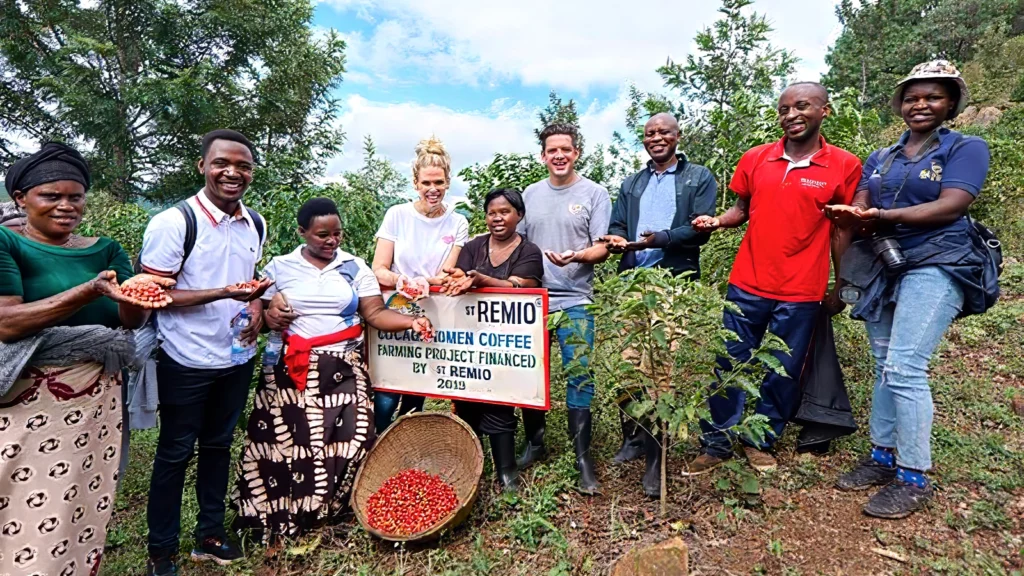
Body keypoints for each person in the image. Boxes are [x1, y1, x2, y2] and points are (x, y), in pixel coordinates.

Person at [828, 61, 991, 519]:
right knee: (884, 365)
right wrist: (853, 213)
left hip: (939, 262)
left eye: (933, 97)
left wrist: (879, 218)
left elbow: (952, 204)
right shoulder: (882, 157)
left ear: (951, 103)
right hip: (885, 264)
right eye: (912, 97)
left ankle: (913, 475)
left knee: (904, 367)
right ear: (900, 104)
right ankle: (882, 456)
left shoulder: (965, 147)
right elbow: (863, 200)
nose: (921, 105)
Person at [0, 142, 172, 576]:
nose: (66, 206)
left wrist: (138, 294)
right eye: (51, 196)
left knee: (80, 500)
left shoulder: (106, 248)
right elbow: (6, 322)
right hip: (29, 402)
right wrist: (88, 291)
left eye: (75, 197)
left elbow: (128, 322)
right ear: (21, 199)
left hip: (95, 403)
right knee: (20, 501)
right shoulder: (6, 242)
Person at [232, 197, 434, 547]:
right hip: (291, 368)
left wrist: (409, 320)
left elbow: (373, 314)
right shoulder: (280, 267)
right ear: (302, 232)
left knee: (354, 436)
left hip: (342, 365)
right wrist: (269, 317)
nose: (331, 241)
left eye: (337, 234)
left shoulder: (355, 267)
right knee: (288, 443)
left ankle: (330, 508)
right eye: (322, 234)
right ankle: (284, 511)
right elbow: (261, 316)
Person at [689, 83, 862, 475]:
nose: (791, 115)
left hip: (802, 289)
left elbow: (842, 230)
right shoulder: (755, 158)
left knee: (783, 367)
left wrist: (841, 284)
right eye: (784, 109)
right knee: (729, 362)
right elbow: (741, 208)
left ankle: (760, 439)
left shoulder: (844, 165)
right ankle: (716, 441)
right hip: (747, 282)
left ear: (824, 111)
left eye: (802, 106)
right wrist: (718, 222)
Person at [139, 129, 273, 576]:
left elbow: (249, 279)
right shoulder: (174, 224)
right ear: (202, 166)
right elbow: (151, 296)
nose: (233, 172)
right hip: (185, 358)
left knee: (218, 446)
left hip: (234, 358)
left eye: (243, 166)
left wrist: (253, 304)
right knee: (175, 453)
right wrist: (222, 293)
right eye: (222, 163)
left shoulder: (255, 221)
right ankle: (162, 550)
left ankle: (210, 535)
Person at [601, 112, 718, 497]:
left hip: (672, 283)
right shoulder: (632, 182)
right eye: (650, 133)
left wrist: (659, 239)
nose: (656, 138)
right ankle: (633, 438)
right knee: (628, 366)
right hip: (632, 280)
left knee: (660, 371)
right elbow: (619, 224)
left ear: (677, 136)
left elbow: (700, 230)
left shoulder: (697, 177)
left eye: (663, 132)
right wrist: (619, 240)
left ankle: (657, 458)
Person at [517, 123, 611, 494]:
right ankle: (535, 443)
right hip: (532, 301)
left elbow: (602, 247)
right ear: (543, 156)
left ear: (576, 153)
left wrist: (579, 255)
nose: (559, 155)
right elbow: (518, 243)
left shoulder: (595, 193)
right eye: (552, 150)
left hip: (575, 299)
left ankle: (582, 456)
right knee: (528, 372)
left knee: (580, 374)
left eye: (566, 149)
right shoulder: (530, 194)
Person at [441, 188, 544, 493]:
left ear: (519, 216)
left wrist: (485, 281)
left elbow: (522, 284)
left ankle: (506, 471)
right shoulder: (474, 246)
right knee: (467, 401)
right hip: (468, 340)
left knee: (499, 403)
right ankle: (472, 466)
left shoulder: (529, 251)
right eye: (491, 213)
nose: (497, 218)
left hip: (507, 345)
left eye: (505, 212)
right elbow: (459, 272)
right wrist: (457, 277)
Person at [371, 137, 468, 433]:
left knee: (417, 384)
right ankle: (371, 447)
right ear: (415, 183)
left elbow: (446, 273)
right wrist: (401, 280)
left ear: (447, 182)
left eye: (438, 182)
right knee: (387, 391)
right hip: (395, 310)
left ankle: (403, 445)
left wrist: (424, 281)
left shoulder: (458, 222)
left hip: (433, 310)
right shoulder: (397, 215)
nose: (433, 189)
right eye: (426, 182)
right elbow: (379, 268)